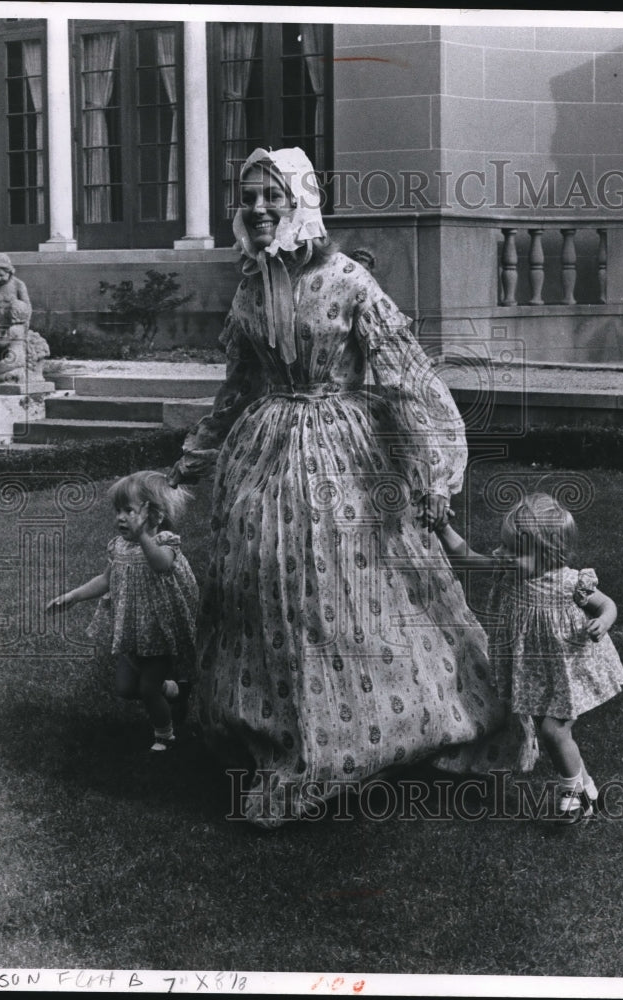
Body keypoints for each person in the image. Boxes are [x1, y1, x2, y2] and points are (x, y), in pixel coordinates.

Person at [168, 146, 529, 825]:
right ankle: (273, 731)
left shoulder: (347, 282)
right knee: (265, 586)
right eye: (248, 197)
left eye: (271, 195)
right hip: (264, 455)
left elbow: (403, 377)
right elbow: (239, 385)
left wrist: (430, 470)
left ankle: (379, 727)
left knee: (350, 589)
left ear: (300, 199)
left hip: (344, 454)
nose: (258, 207)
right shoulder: (250, 286)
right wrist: (195, 455)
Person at [437, 492, 623, 821]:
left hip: (569, 669)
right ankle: (586, 788)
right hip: (538, 672)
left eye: (516, 551)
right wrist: (443, 529)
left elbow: (606, 605)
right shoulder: (510, 571)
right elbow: (466, 557)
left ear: (549, 554)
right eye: (505, 545)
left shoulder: (571, 583)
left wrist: (603, 622)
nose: (505, 555)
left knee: (554, 731)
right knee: (548, 727)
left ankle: (573, 792)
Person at [47, 471, 199, 753]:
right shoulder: (118, 546)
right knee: (126, 688)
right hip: (131, 627)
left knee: (148, 689)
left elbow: (161, 565)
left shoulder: (165, 542)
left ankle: (165, 735)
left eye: (129, 511)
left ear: (156, 515)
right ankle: (177, 689)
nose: (120, 517)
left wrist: (143, 537)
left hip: (159, 628)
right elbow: (107, 579)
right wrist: (75, 596)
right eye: (117, 511)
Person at [0, 252, 32, 336]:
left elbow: (27, 307)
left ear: (9, 272)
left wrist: (24, 325)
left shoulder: (18, 285)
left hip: (13, 325)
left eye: (1, 275)